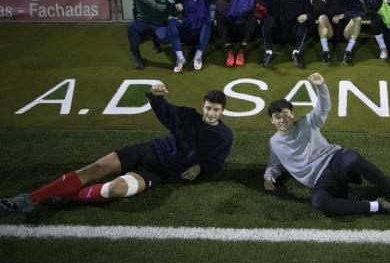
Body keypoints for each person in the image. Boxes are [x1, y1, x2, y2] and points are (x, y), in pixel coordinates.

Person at [1, 83, 233, 212]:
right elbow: (165, 112)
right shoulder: (187, 116)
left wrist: (201, 167)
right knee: (95, 168)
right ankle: (28, 199)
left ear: (223, 111)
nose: (211, 113)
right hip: (148, 151)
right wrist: (156, 95)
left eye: (216, 109)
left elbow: (217, 162)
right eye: (208, 108)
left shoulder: (224, 136)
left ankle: (69, 198)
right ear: (202, 106)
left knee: (115, 190)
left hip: (160, 174)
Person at [263, 72, 390, 217]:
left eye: (285, 114)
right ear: (272, 120)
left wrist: (321, 86)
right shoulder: (274, 143)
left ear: (292, 114)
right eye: (277, 117)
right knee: (319, 202)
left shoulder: (307, 122)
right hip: (319, 180)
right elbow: (275, 164)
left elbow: (323, 108)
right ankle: (378, 206)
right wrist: (269, 176)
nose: (282, 120)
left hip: (334, 161)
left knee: (352, 158)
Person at [96, 0, 170, 68]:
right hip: (142, 23)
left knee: (165, 39)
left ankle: (156, 39)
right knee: (132, 28)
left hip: (159, 25)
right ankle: (136, 56)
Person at [214, 0, 268, 67]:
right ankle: (229, 50)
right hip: (232, 29)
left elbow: (263, 12)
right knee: (221, 18)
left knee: (253, 19)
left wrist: (255, 12)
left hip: (245, 31)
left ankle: (242, 51)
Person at [164, 0, 215, 73]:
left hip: (200, 34)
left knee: (209, 21)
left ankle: (198, 56)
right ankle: (179, 57)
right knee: (171, 22)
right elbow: (171, 4)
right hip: (186, 33)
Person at [261, 0, 314, 68]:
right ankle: (268, 52)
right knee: (267, 19)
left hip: (293, 34)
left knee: (303, 22)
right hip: (278, 33)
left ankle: (296, 52)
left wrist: (307, 16)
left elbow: (312, 15)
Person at [317, 0, 365, 65]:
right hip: (330, 32)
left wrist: (343, 15)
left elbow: (361, 12)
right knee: (322, 17)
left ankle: (348, 51)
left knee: (358, 19)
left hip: (345, 33)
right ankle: (326, 51)